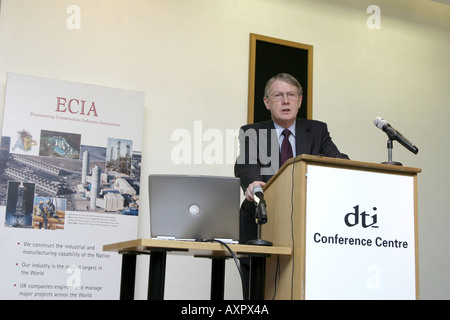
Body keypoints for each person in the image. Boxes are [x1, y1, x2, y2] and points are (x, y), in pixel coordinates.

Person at [234, 73, 348, 295]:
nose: (286, 101)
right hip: (261, 220)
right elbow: (246, 166)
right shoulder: (252, 132)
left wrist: (347, 164)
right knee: (258, 293)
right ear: (267, 102)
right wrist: (252, 184)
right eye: (278, 95)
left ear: (300, 100)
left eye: (291, 95)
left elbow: (336, 160)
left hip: (308, 224)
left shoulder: (317, 130)